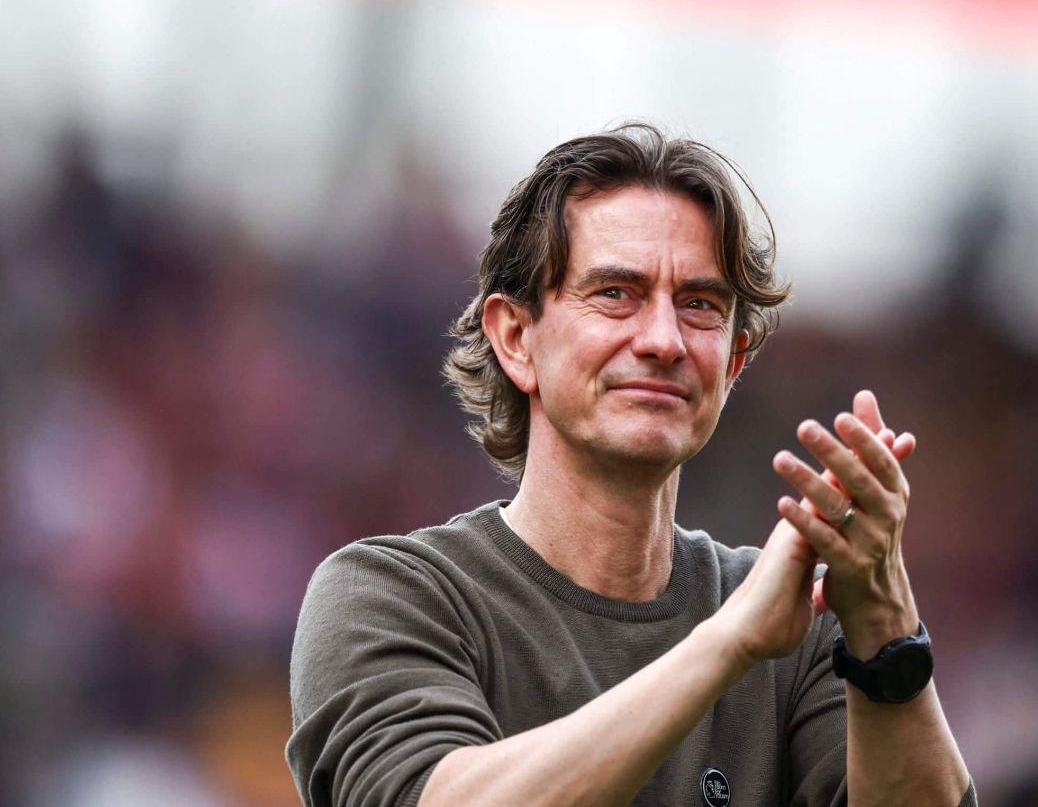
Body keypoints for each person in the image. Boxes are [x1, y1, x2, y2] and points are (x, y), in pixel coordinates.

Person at [287, 122, 977, 806]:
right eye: (616, 293)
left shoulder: (805, 622)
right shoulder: (390, 597)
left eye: (700, 305)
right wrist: (728, 645)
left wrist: (886, 624)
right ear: (516, 338)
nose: (663, 340)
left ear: (732, 364)